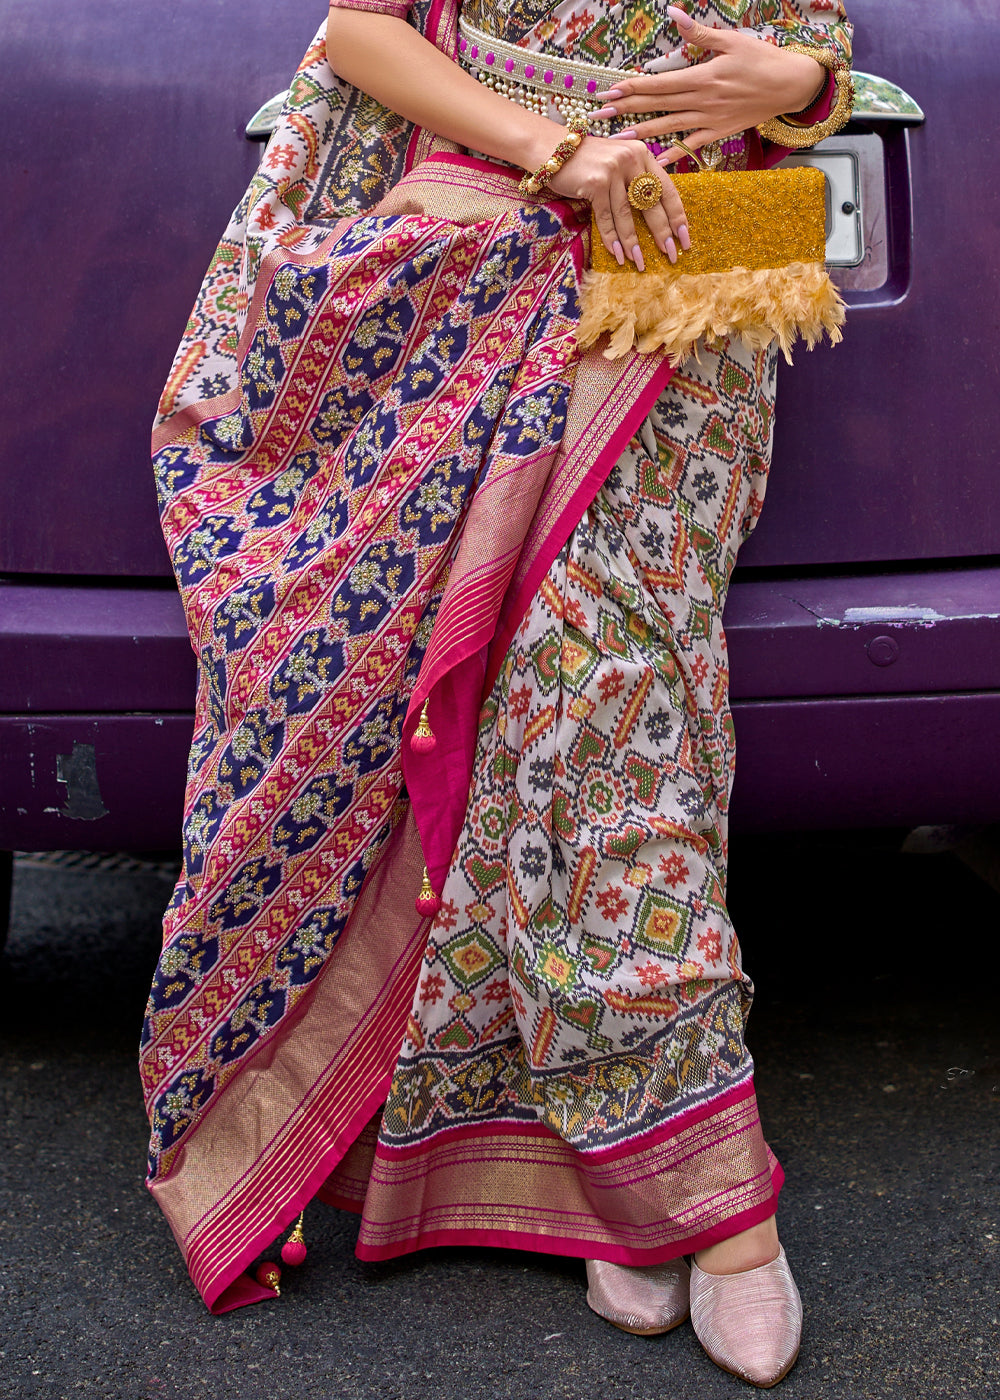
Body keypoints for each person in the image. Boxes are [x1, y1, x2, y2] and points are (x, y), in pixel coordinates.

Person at [142, 0, 852, 1386]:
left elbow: (813, 42)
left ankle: (671, 1186)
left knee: (613, 694)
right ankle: (660, 1189)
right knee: (550, 710)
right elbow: (361, 31)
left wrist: (804, 82)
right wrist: (555, 153)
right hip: (476, 269)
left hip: (688, 298)